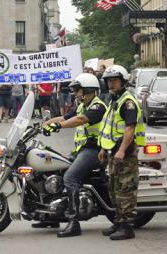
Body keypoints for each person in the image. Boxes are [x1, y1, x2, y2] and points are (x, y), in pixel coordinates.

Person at [40, 73, 107, 237]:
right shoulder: (81, 105)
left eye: (77, 90)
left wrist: (57, 126)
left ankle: (73, 222)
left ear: (88, 90)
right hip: (81, 151)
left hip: (94, 151)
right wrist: (44, 124)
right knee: (55, 168)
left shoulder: (98, 107)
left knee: (70, 178)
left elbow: (80, 120)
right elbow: (64, 117)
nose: (75, 93)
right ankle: (51, 215)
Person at [98, 65, 145, 241]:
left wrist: (122, 150)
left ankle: (126, 227)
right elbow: (108, 127)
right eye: (109, 81)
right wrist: (104, 148)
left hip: (125, 153)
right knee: (114, 189)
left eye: (114, 80)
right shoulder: (114, 100)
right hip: (113, 151)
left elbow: (130, 128)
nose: (111, 84)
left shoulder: (127, 102)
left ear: (123, 81)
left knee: (125, 190)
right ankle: (118, 222)